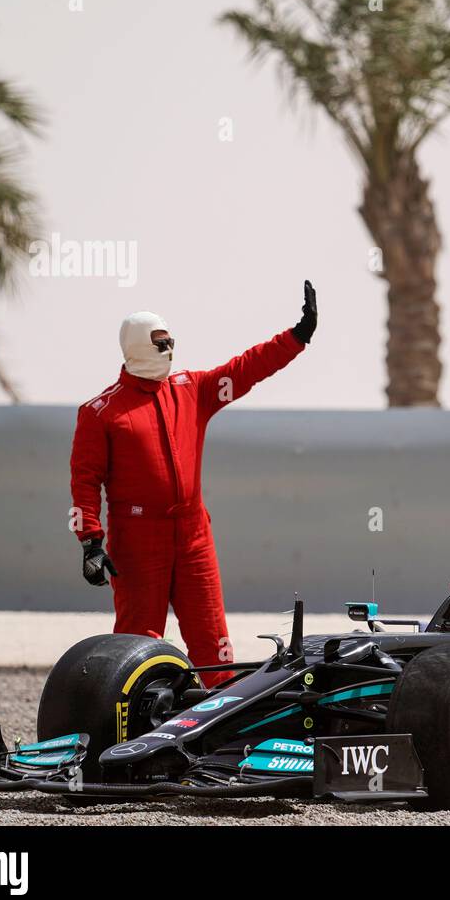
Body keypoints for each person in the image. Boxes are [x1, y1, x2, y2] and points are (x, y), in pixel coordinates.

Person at [70, 282, 318, 686]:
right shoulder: (101, 412)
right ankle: (129, 730)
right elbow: (84, 480)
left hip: (192, 535)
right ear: (135, 346)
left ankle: (221, 729)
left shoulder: (193, 389)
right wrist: (91, 542)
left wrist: (296, 337)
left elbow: (246, 369)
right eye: (160, 342)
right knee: (136, 645)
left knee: (213, 643)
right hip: (136, 541)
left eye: (171, 341)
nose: (169, 349)